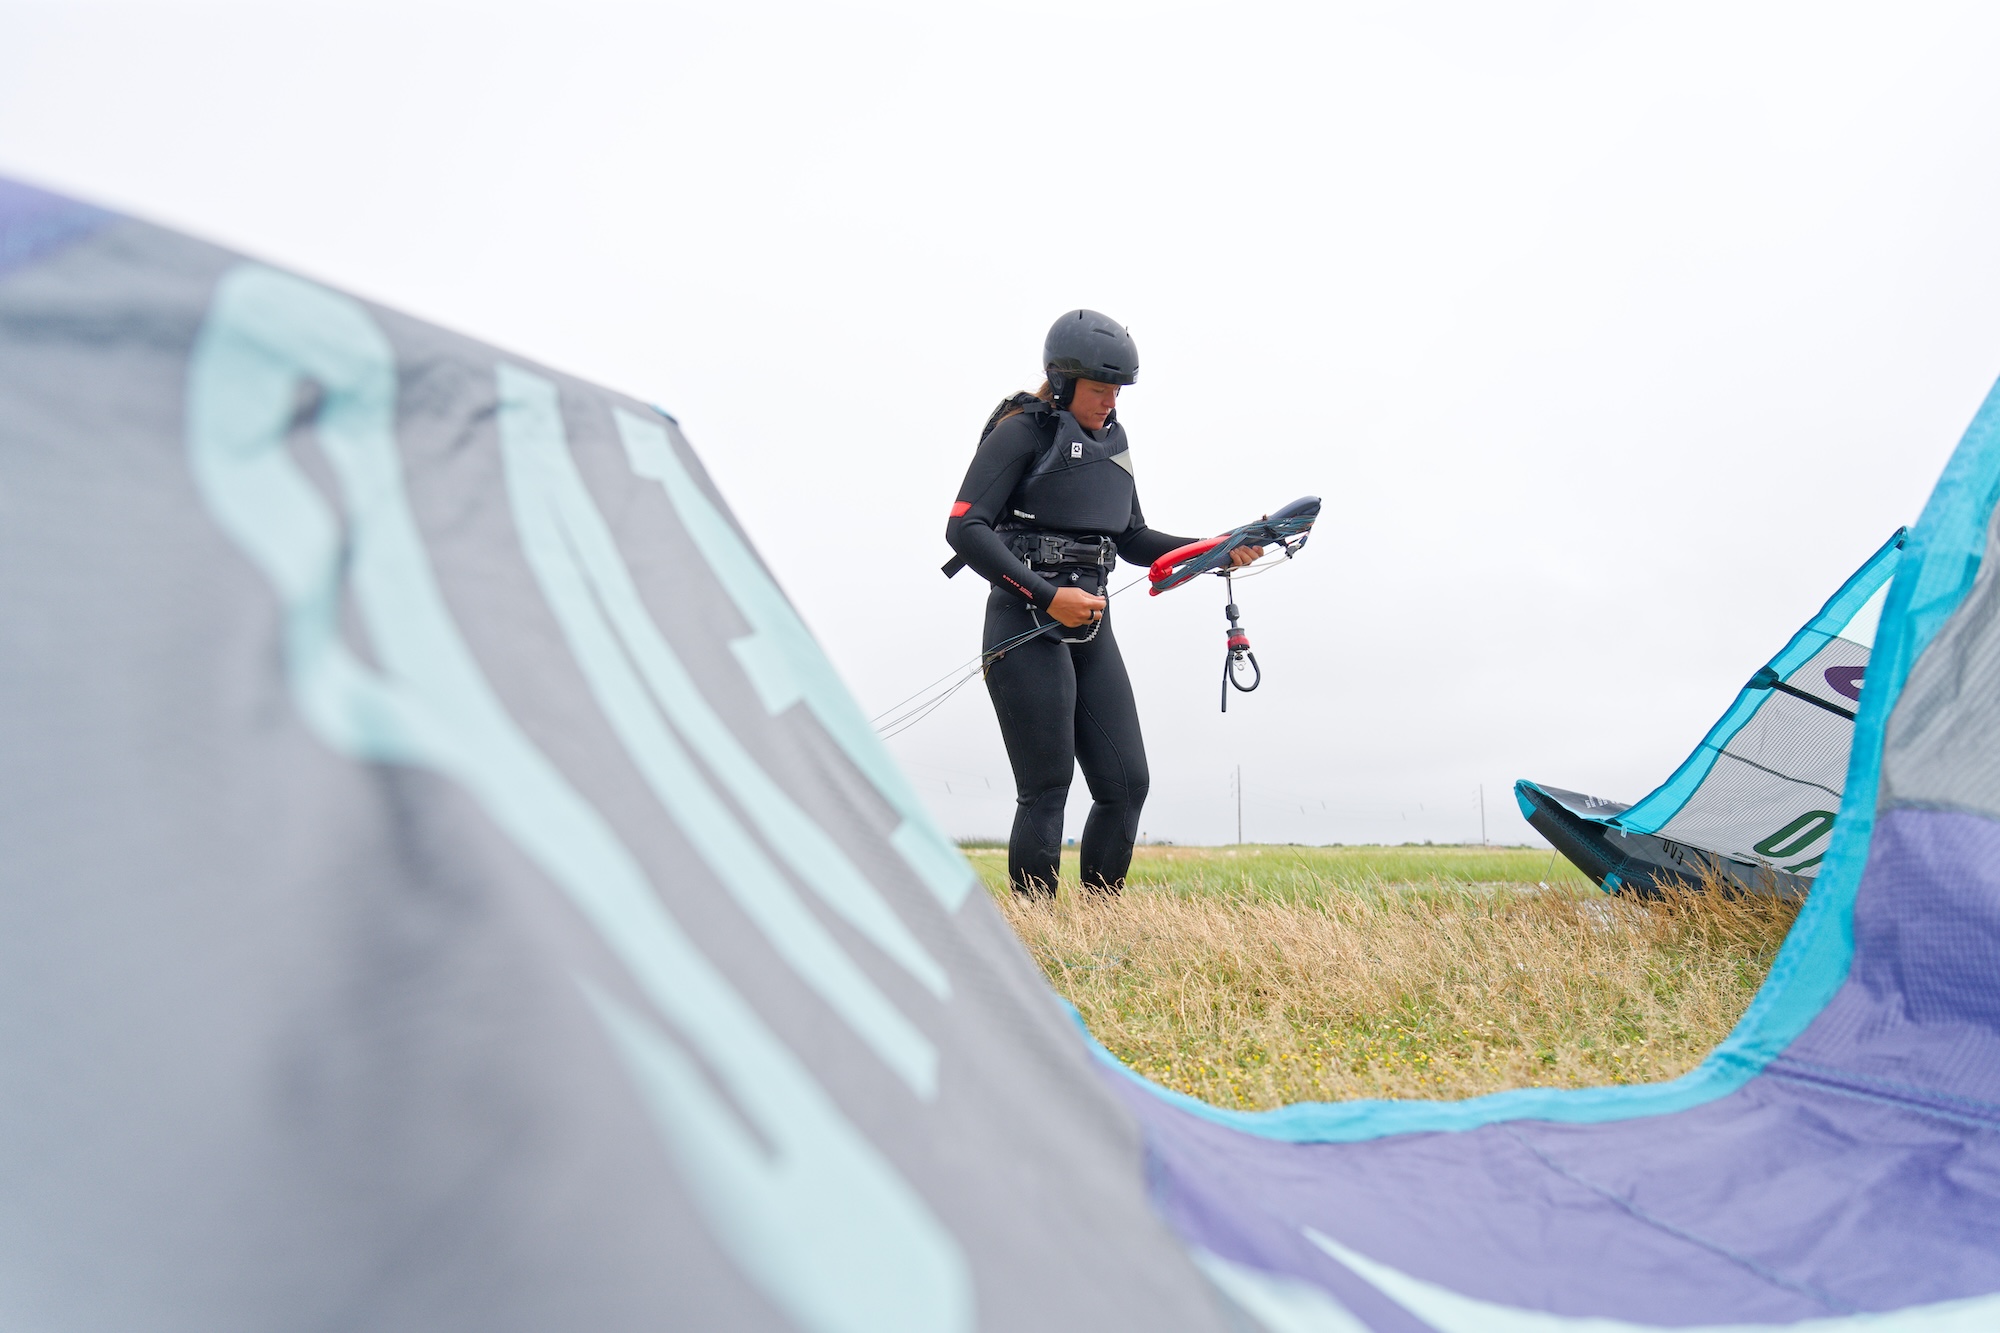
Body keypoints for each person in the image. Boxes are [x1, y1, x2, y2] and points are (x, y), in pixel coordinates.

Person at [944, 310, 1260, 895]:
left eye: (1118, 390)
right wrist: (1046, 596)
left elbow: (1133, 539)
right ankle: (1038, 925)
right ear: (1062, 382)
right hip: (1023, 623)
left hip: (1091, 630)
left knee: (1126, 783)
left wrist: (1214, 548)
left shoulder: (1115, 444)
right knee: (1047, 787)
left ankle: (1099, 918)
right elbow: (964, 529)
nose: (1110, 402)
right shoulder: (1022, 432)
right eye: (1098, 389)